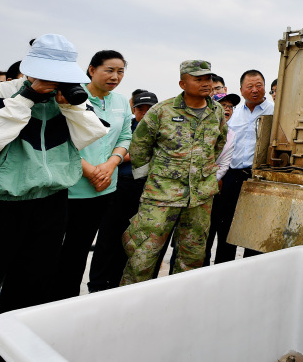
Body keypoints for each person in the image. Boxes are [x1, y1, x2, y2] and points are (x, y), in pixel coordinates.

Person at [0, 34, 107, 362]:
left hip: (51, 205)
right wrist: (26, 97)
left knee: (30, 294)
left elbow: (90, 136)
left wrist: (72, 107)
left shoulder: (69, 99)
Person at [120, 61, 227, 284]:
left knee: (192, 256)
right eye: (198, 79)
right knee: (143, 255)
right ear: (182, 83)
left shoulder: (216, 111)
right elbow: (139, 147)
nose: (205, 84)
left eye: (207, 79)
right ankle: (130, 305)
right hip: (161, 195)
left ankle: (179, 305)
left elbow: (219, 143)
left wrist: (200, 171)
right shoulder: (162, 111)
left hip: (199, 198)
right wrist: (152, 179)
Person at [53, 51, 132, 299]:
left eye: (120, 71)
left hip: (103, 187)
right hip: (69, 186)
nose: (115, 76)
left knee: (79, 250)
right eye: (109, 70)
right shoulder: (70, 97)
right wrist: (89, 170)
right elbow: (61, 140)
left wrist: (110, 164)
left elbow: (125, 137)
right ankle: (44, 300)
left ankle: (67, 299)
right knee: (53, 250)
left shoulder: (120, 102)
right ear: (91, 70)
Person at [87, 90, 157, 292]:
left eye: (149, 109)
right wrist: (136, 153)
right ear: (133, 109)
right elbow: (115, 151)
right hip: (119, 185)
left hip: (145, 189)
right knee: (107, 238)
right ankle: (97, 285)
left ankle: (117, 283)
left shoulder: (161, 130)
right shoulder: (126, 127)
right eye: (140, 109)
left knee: (129, 239)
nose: (144, 113)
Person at [210, 70, 272, 264]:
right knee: (227, 229)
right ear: (241, 90)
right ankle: (223, 269)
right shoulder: (233, 115)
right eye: (250, 86)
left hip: (258, 178)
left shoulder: (274, 111)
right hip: (232, 177)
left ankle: (249, 273)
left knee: (254, 232)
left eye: (259, 85)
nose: (255, 90)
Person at [204, 93, 239, 265]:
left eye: (230, 106)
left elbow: (225, 163)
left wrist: (212, 179)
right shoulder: (202, 128)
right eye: (223, 104)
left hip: (215, 187)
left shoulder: (231, 134)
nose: (227, 109)